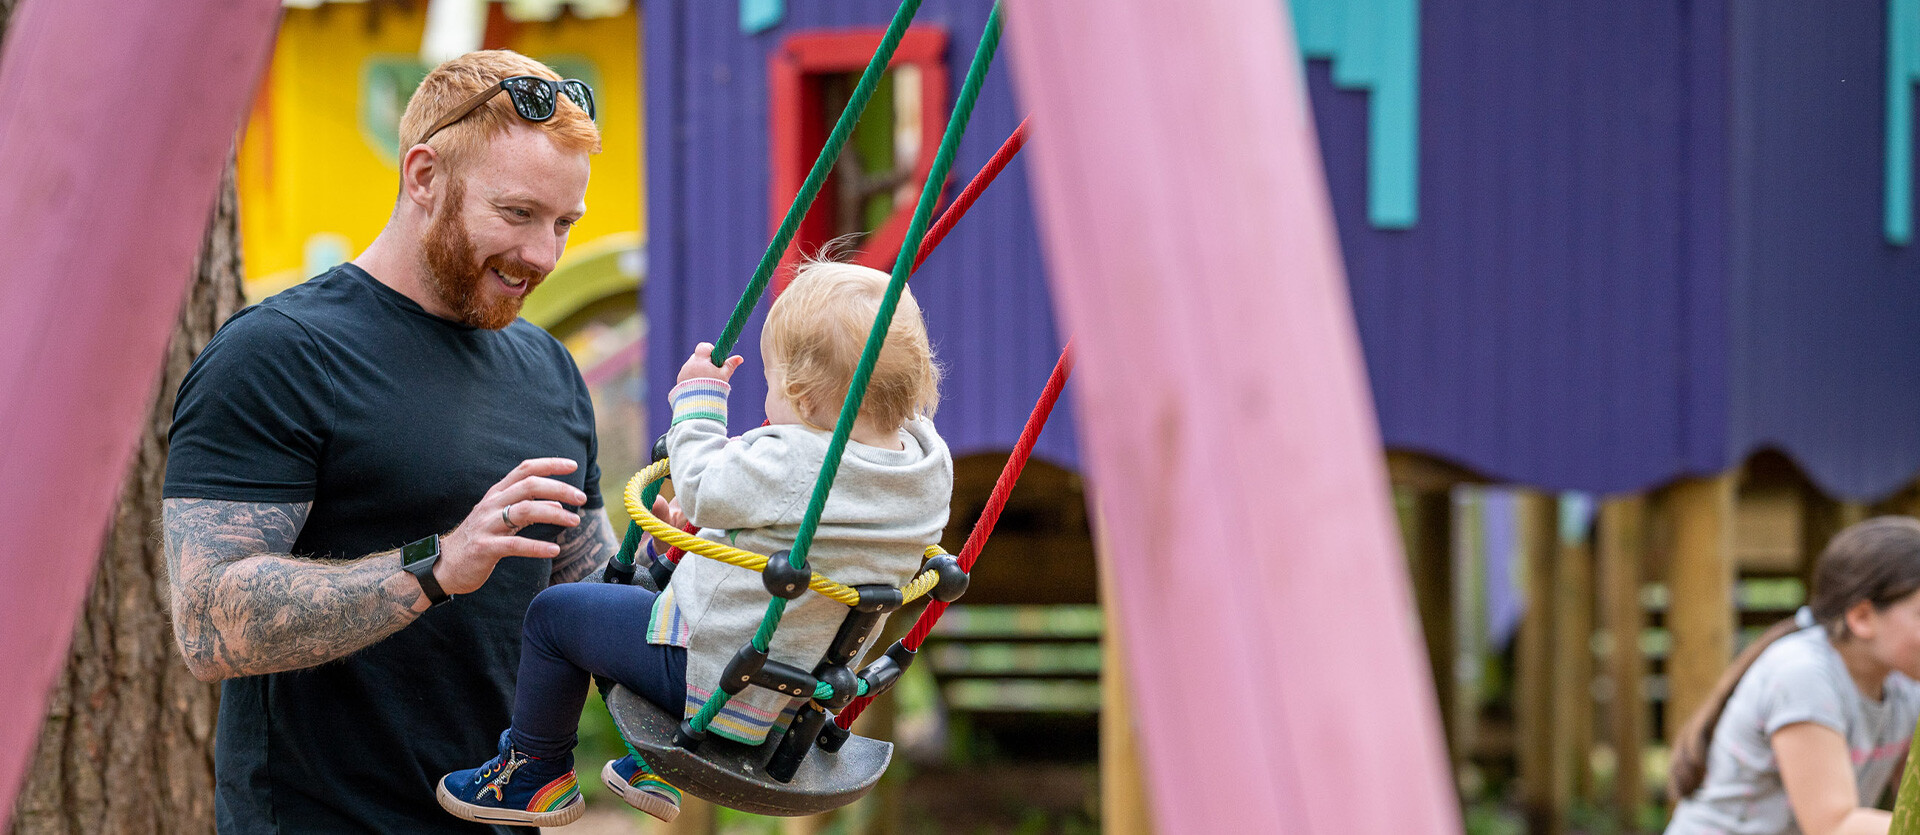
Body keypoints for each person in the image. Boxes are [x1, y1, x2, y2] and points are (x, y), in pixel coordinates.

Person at [162, 51, 618, 834]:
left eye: (563, 223)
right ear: (423, 175)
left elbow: (596, 595)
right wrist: (437, 566)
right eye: (516, 214)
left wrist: (698, 570)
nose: (543, 255)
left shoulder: (548, 369)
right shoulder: (279, 352)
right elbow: (208, 623)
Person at [433, 261, 954, 826]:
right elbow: (816, 533)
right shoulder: (926, 469)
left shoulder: (796, 461)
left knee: (557, 617)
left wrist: (700, 401)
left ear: (802, 396)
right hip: (796, 696)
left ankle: (533, 773)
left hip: (711, 674)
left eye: (773, 381)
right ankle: (659, 765)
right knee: (671, 564)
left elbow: (702, 483)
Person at [1666, 516, 1920, 835]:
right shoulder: (1803, 676)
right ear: (1863, 617)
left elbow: (1912, 799)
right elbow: (1833, 826)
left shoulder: (1904, 684)